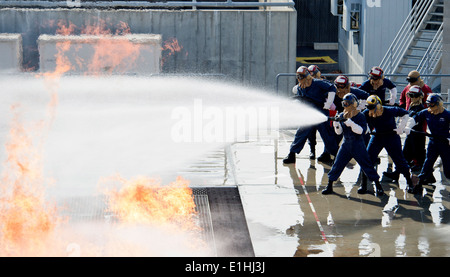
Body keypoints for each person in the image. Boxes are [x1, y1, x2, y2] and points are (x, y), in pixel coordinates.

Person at [322, 93, 384, 196]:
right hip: (346, 144)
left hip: (358, 145)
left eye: (348, 103)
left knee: (367, 165)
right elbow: (339, 133)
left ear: (353, 104)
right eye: (344, 103)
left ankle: (378, 186)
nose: (346, 106)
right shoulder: (342, 115)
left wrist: (350, 123)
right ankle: (329, 185)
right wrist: (336, 124)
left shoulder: (360, 116)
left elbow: (361, 131)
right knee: (337, 164)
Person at [283, 66, 338, 164]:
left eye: (302, 78)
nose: (300, 81)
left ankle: (336, 155)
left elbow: (332, 87)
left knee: (327, 135)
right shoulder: (300, 88)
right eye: (299, 78)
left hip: (321, 111)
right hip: (308, 114)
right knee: (301, 133)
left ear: (308, 77)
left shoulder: (318, 83)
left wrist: (329, 103)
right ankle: (292, 154)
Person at [362, 95, 414, 192]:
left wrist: (401, 127)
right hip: (377, 136)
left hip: (391, 136)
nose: (371, 110)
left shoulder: (389, 110)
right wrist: (367, 128)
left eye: (373, 108)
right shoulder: (367, 113)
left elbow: (405, 113)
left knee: (399, 160)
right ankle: (364, 184)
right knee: (368, 159)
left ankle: (409, 183)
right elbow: (360, 119)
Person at [316, 75, 370, 163]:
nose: (340, 89)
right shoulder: (332, 92)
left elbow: (367, 96)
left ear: (347, 85)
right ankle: (327, 154)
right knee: (334, 136)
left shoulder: (353, 91)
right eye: (338, 86)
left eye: (343, 86)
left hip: (354, 116)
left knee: (363, 135)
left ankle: (368, 153)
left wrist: (359, 108)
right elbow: (322, 96)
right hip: (340, 116)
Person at [405, 93, 450, 194]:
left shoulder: (446, 114)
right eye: (428, 105)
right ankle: (419, 183)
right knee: (427, 163)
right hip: (433, 142)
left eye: (432, 105)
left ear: (439, 104)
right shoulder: (426, 112)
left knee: (448, 169)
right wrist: (408, 126)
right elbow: (414, 118)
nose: (430, 107)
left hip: (444, 143)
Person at [384, 85, 426, 179]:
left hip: (417, 135)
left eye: (414, 96)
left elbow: (414, 119)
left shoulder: (420, 108)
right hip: (411, 135)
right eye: (410, 96)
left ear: (419, 97)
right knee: (404, 156)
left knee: (419, 158)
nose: (412, 98)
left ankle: (425, 178)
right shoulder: (412, 106)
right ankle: (397, 173)